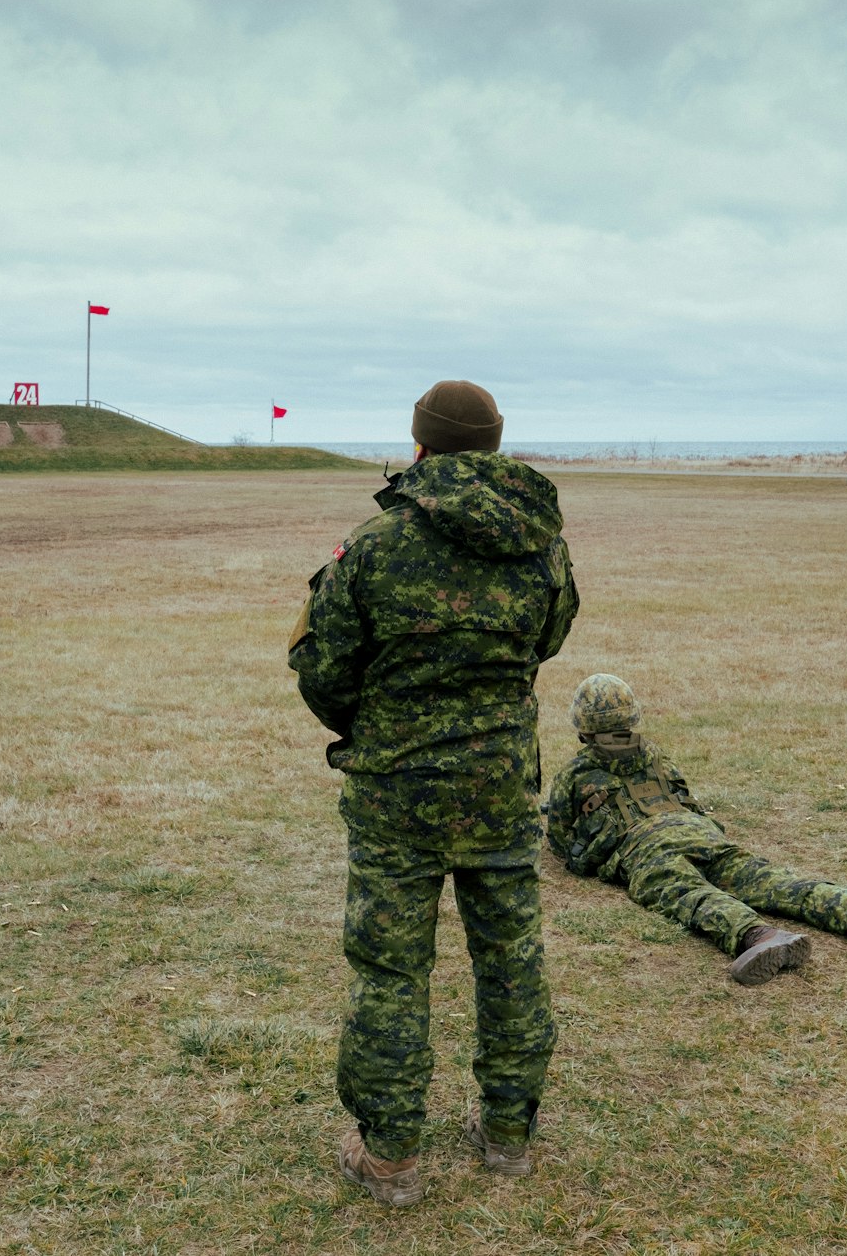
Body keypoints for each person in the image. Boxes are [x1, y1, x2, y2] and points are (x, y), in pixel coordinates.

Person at [288, 380, 578, 1207]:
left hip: (395, 799)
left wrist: (383, 728)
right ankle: (509, 1136)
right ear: (491, 446)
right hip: (498, 790)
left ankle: (391, 1159)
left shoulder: (376, 543)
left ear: (419, 445)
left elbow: (325, 672)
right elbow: (547, 639)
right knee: (511, 960)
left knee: (390, 973)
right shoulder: (541, 544)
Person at [547, 673, 847, 986]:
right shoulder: (656, 757)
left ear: (581, 726)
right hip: (702, 834)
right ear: (634, 717)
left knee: (690, 894)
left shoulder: (574, 775)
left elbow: (563, 844)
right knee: (778, 883)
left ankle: (760, 936)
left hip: (645, 850)